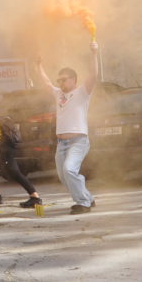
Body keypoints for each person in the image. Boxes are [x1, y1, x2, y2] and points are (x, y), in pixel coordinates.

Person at [36, 43, 100, 214]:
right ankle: (88, 198)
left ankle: (84, 203)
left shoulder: (82, 92)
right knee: (64, 177)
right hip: (61, 143)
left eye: (64, 79)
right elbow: (46, 83)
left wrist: (94, 53)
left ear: (73, 80)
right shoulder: (58, 94)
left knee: (69, 170)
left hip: (78, 141)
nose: (61, 82)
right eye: (59, 80)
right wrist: (38, 65)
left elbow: (94, 75)